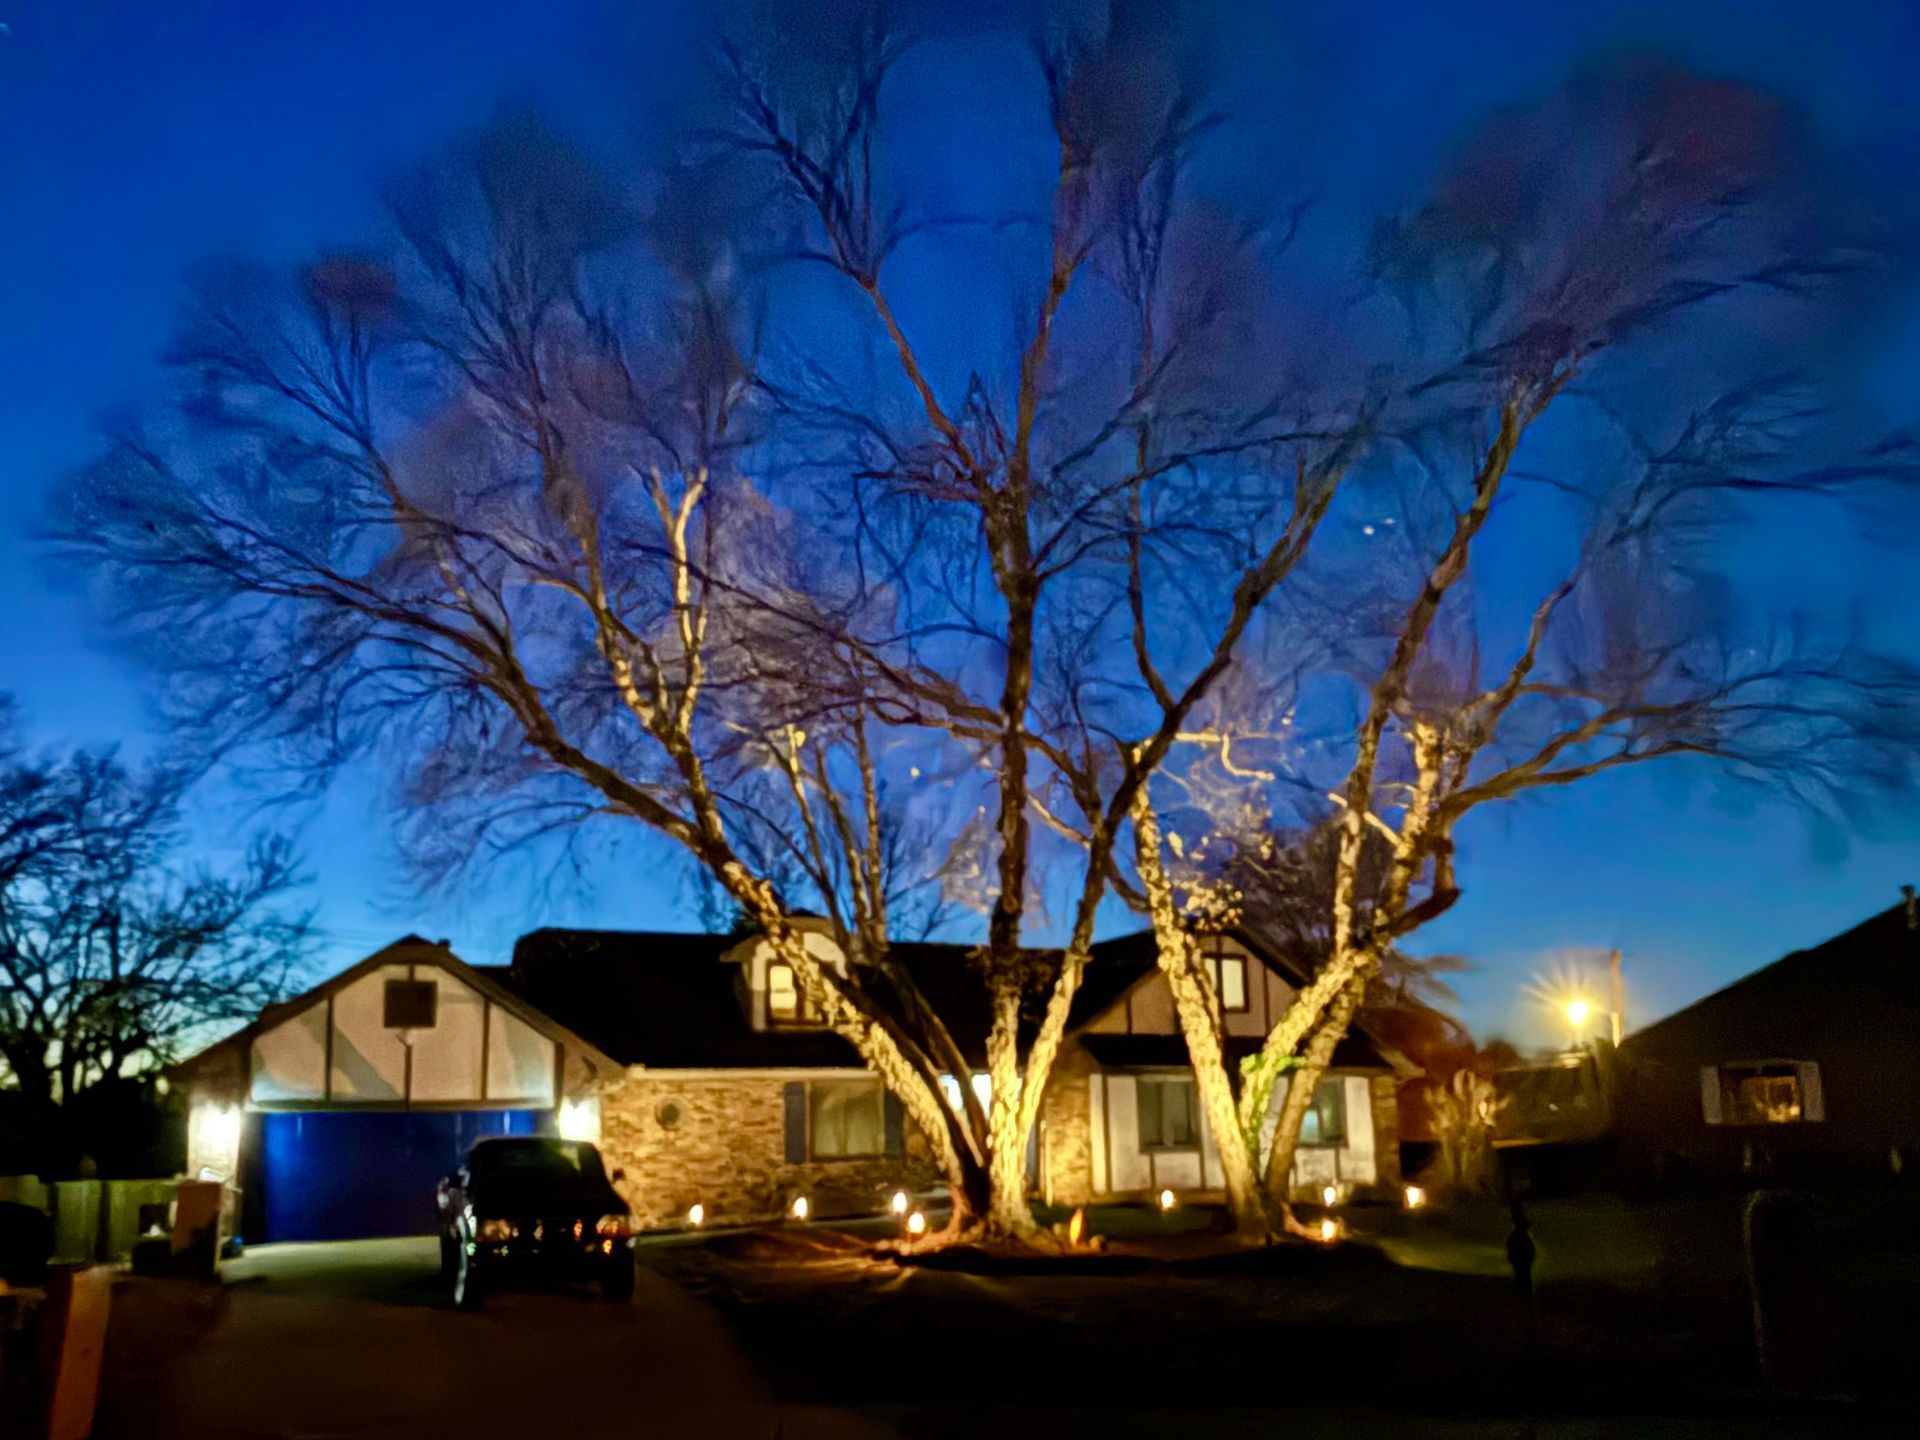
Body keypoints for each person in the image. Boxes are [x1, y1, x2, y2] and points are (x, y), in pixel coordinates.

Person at [1505, 1197, 1536, 1303]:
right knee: (1523, 1276)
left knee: (1522, 1276)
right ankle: (1525, 1296)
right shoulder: (1519, 1236)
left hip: (1521, 1258)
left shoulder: (1517, 1236)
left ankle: (1524, 1295)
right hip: (1522, 1258)